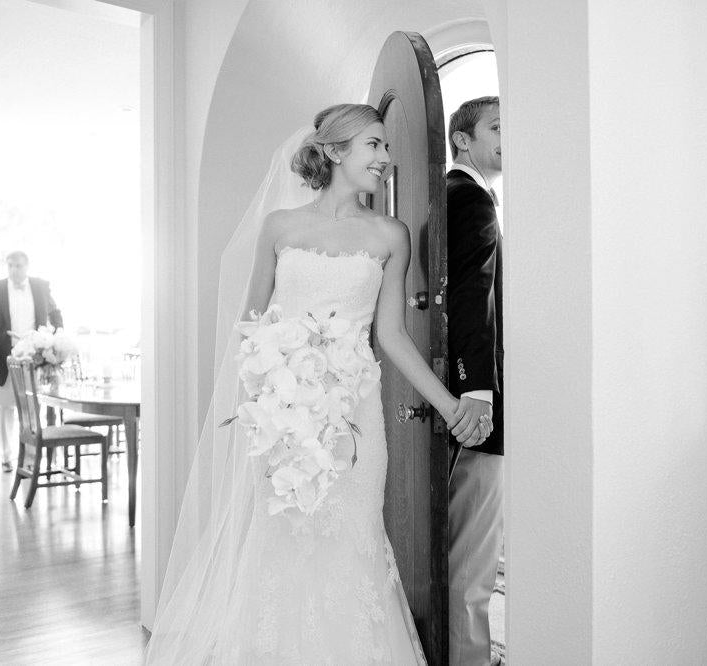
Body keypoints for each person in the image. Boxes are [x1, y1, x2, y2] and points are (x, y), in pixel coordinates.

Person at [145, 104, 486, 664]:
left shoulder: (390, 235)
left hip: (356, 417)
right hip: (283, 417)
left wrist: (451, 406)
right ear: (334, 151)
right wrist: (264, 400)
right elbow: (251, 324)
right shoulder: (280, 226)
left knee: (355, 541)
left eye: (385, 147)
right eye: (373, 145)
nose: (385, 157)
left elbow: (393, 335)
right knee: (284, 542)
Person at [445, 96, 504, 666]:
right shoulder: (471, 200)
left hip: (458, 397)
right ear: (462, 140)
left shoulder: (452, 197)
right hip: (475, 405)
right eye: (495, 127)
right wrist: (478, 394)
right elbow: (470, 300)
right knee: (474, 562)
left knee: (465, 547)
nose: (506, 136)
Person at [0, 251, 63, 472]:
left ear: (28, 266)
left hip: (37, 357)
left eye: (19, 266)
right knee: (5, 408)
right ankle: (6, 456)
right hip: (5, 357)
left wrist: (57, 339)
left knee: (32, 407)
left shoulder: (42, 286)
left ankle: (31, 456)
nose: (15, 270)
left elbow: (55, 313)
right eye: (11, 266)